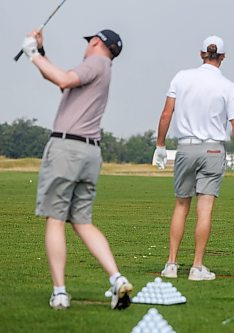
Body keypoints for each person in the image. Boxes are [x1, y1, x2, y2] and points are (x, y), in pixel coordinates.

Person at [21, 29, 132, 310]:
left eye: (89, 42)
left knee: (55, 219)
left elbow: (63, 78)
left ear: (96, 42)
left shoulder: (95, 63)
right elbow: (62, 83)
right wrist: (42, 54)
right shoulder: (103, 69)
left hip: (67, 149)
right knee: (82, 222)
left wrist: (31, 53)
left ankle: (59, 293)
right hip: (90, 152)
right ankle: (117, 279)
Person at [152, 36, 234, 281]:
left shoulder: (181, 77)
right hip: (213, 150)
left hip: (185, 148)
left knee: (181, 205)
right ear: (222, 57)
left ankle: (171, 265)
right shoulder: (229, 87)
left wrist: (160, 145)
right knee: (205, 208)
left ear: (201, 53)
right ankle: (197, 267)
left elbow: (166, 114)